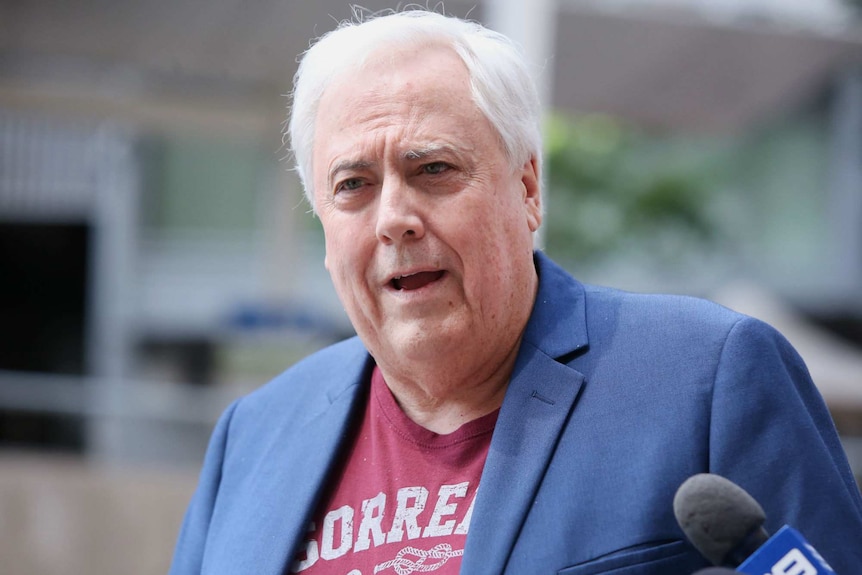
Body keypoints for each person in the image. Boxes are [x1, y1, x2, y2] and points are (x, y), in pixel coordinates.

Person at [169, 9, 862, 575]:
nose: (393, 219)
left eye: (433, 168)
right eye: (353, 186)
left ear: (527, 189)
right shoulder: (252, 437)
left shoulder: (708, 376)